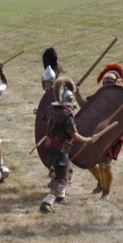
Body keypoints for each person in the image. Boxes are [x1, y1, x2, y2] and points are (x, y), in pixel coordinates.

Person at [38, 84, 94, 214]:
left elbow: (44, 117)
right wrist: (88, 140)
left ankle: (60, 196)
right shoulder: (67, 116)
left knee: (65, 169)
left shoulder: (51, 108)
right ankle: (47, 202)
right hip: (60, 149)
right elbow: (74, 135)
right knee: (61, 178)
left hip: (49, 146)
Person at [75, 63, 123, 199]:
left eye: (109, 82)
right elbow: (85, 106)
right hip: (97, 134)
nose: (107, 84)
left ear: (116, 82)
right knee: (88, 161)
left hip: (113, 135)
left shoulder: (121, 99)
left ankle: (106, 191)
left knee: (104, 163)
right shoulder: (98, 96)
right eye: (104, 82)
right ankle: (101, 182)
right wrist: (77, 94)